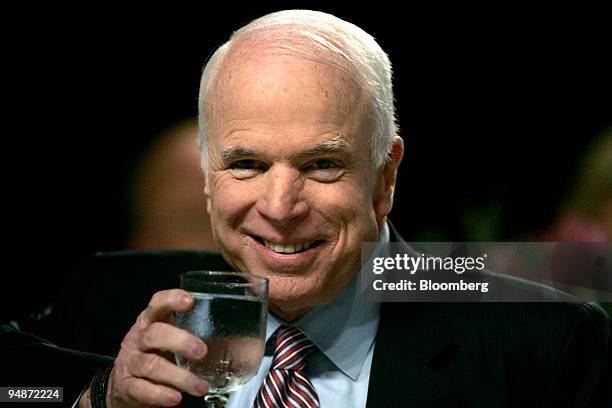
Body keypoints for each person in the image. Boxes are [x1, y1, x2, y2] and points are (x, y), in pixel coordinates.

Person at [2, 10, 610, 408]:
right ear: (208, 179)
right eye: (247, 164)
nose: (280, 207)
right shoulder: (111, 292)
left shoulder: (543, 345)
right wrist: (95, 393)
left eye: (321, 164)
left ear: (385, 176)